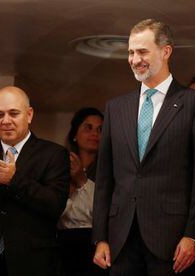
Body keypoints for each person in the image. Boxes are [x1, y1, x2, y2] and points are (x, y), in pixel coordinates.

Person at [92, 19, 195, 276]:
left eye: (142, 51)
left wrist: (193, 235)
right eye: (130, 52)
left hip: (172, 241)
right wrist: (100, 237)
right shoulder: (116, 108)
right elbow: (104, 178)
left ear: (166, 51)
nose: (134, 59)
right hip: (120, 240)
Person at [0, 86, 70, 276]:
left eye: (13, 113)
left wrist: (14, 179)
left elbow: (55, 205)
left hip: (34, 263)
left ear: (29, 115)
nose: (6, 121)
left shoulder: (53, 154)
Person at [58, 107, 106, 275]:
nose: (95, 134)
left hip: (96, 245)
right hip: (61, 245)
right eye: (88, 127)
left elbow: (106, 212)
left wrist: (81, 180)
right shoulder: (58, 167)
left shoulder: (112, 171)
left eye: (100, 129)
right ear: (74, 135)